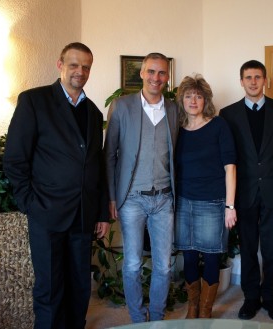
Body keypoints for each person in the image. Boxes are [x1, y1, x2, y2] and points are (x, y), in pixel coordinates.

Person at [3, 42, 110, 329]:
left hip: (83, 215)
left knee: (79, 286)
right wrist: (29, 203)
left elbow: (96, 167)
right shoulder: (34, 101)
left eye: (86, 66)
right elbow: (14, 159)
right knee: (50, 288)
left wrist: (101, 212)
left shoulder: (94, 113)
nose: (80, 71)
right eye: (74, 65)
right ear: (60, 65)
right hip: (46, 212)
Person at [104, 52, 178, 323]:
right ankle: (137, 318)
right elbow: (109, 154)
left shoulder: (173, 109)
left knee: (164, 265)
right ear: (141, 73)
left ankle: (156, 317)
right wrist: (112, 197)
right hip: (132, 199)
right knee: (133, 264)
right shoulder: (122, 107)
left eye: (161, 73)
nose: (155, 78)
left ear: (167, 77)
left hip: (164, 199)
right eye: (151, 72)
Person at [219, 60, 273, 322]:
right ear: (241, 81)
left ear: (265, 80)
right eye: (248, 77)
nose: (253, 81)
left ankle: (271, 298)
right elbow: (227, 156)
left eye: (258, 77)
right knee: (249, 248)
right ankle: (251, 297)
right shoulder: (227, 114)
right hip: (244, 193)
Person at [174, 74, 237, 319]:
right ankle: (192, 307)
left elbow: (230, 167)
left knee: (211, 257)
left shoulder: (218, 125)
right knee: (188, 256)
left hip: (212, 202)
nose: (193, 100)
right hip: (183, 202)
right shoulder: (176, 128)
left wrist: (230, 206)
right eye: (189, 95)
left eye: (198, 96)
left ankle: (206, 309)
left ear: (205, 100)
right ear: (182, 99)